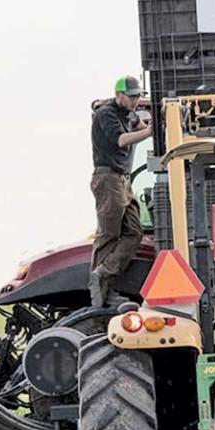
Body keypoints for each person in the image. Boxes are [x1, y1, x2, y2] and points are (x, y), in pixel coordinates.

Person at [88, 75, 153, 307]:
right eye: (133, 96)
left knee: (134, 232)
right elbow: (122, 140)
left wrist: (155, 122)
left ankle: (106, 273)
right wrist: (149, 133)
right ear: (119, 95)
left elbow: (141, 125)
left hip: (122, 180)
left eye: (139, 96)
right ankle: (100, 289)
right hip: (108, 179)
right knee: (108, 233)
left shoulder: (128, 113)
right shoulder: (105, 114)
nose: (136, 100)